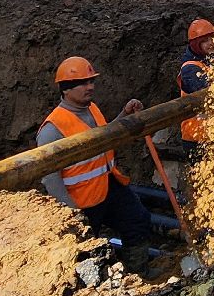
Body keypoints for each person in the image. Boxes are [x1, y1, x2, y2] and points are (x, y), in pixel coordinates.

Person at [38, 56, 154, 257]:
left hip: (109, 186)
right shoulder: (53, 129)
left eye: (91, 81)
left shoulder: (92, 108)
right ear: (65, 89)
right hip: (82, 200)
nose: (89, 87)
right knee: (87, 250)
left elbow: (104, 137)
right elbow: (50, 178)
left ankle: (138, 270)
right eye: (82, 83)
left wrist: (124, 115)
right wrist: (71, 211)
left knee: (138, 220)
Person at [176, 19, 214, 145]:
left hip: (212, 134)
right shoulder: (190, 68)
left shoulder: (211, 59)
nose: (211, 43)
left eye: (212, 38)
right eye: (204, 41)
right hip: (196, 137)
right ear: (196, 45)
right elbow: (210, 92)